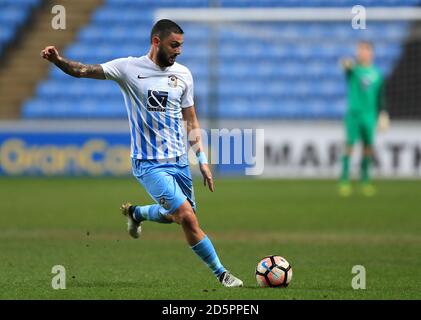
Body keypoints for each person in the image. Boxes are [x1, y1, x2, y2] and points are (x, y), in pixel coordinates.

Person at [41, 19, 243, 287]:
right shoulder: (128, 68)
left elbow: (191, 120)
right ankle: (222, 274)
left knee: (176, 216)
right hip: (148, 164)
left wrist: (202, 160)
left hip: (179, 162)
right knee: (186, 217)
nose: (179, 51)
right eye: (174, 45)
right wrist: (58, 60)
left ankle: (136, 213)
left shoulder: (183, 75)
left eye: (181, 46)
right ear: (156, 41)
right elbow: (82, 70)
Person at [339, 41, 389, 197]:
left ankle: (365, 180)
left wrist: (383, 113)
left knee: (368, 147)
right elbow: (345, 67)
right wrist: (346, 64)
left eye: (364, 50)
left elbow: (381, 96)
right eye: (359, 50)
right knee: (349, 145)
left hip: (369, 115)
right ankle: (345, 180)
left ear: (371, 53)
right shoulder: (354, 70)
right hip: (354, 114)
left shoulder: (377, 74)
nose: (361, 53)